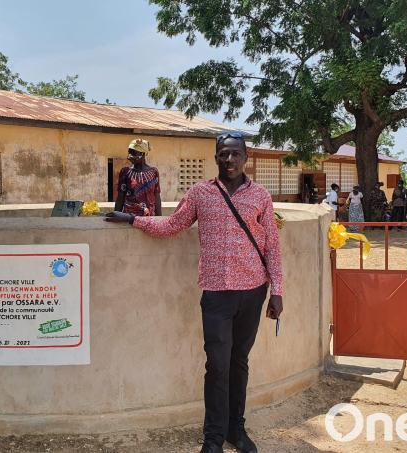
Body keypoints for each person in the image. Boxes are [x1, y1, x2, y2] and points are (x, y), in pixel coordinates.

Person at [105, 132, 283, 453]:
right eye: (223, 154)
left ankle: (236, 430)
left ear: (246, 157)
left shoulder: (261, 196)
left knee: (239, 362)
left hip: (253, 292)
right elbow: (172, 225)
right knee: (217, 365)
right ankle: (213, 439)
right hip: (215, 295)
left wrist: (277, 292)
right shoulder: (201, 193)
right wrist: (132, 219)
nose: (229, 160)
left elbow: (272, 245)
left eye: (235, 154)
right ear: (215, 157)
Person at [114, 139, 162, 216]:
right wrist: (116, 215)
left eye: (133, 153)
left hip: (149, 218)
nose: (130, 156)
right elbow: (120, 196)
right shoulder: (125, 172)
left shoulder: (154, 172)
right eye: (129, 152)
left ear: (143, 154)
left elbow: (156, 196)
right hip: (129, 219)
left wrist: (160, 219)